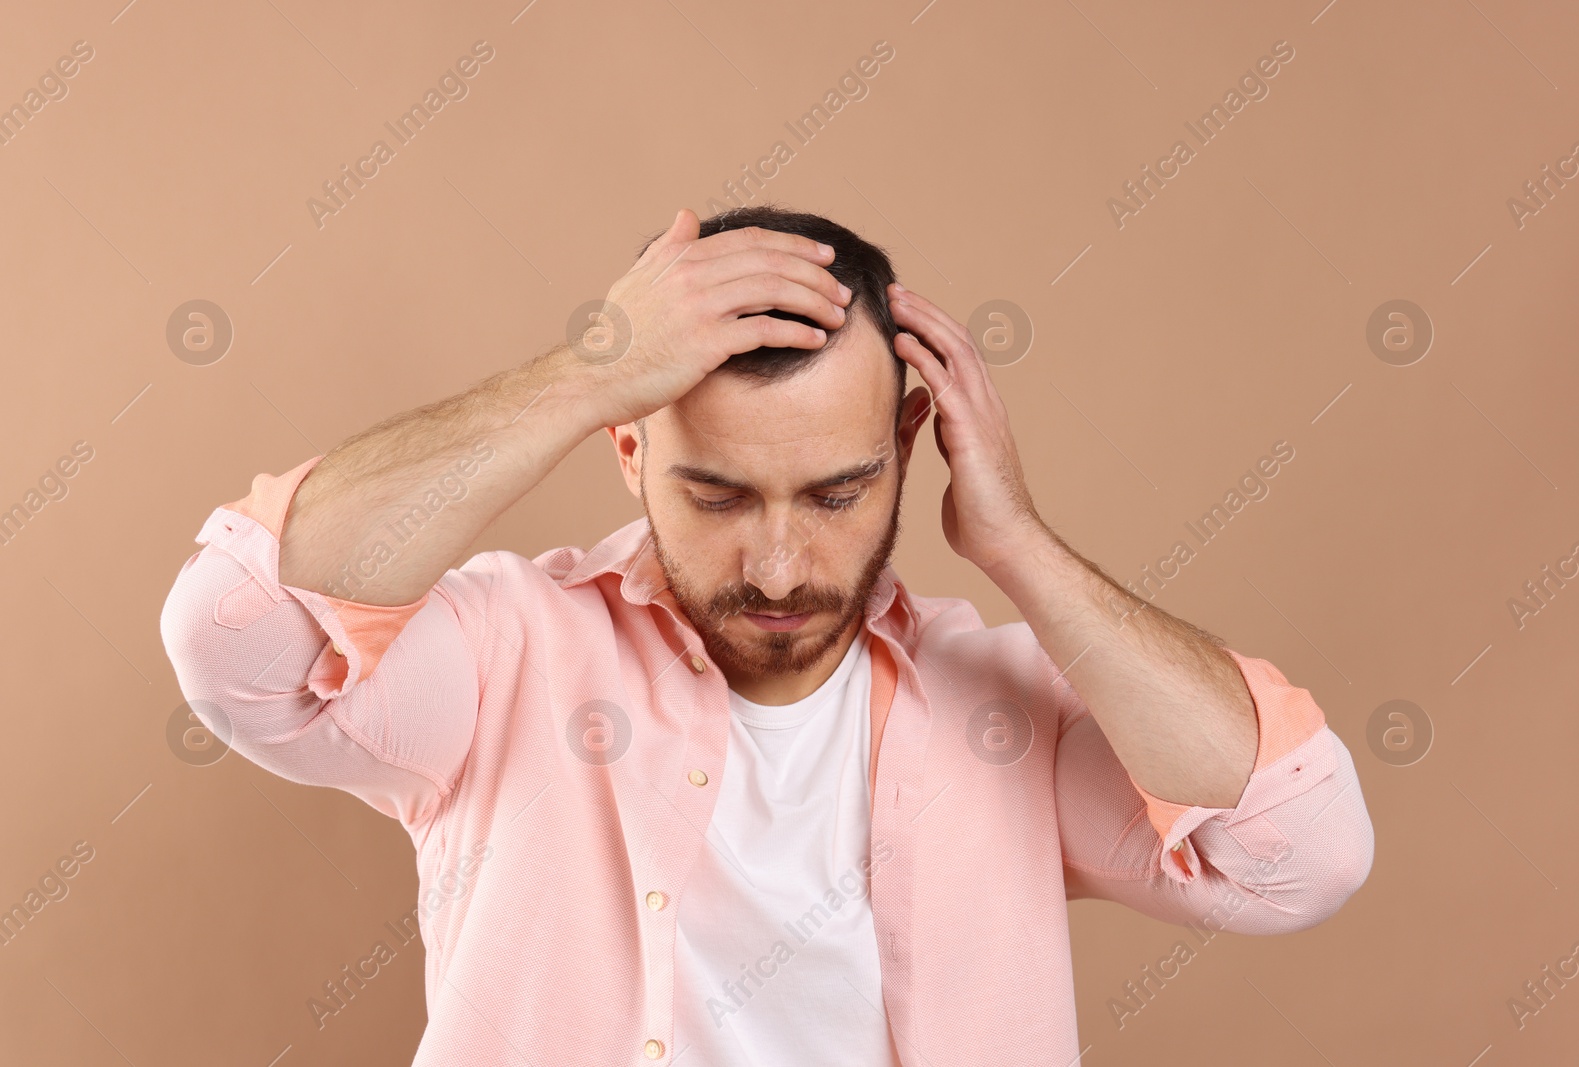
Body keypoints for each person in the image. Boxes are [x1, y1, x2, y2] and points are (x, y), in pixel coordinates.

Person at [159, 204, 1375, 1066]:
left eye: (837, 494)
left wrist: (1016, 541)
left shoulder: (1006, 710)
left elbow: (1297, 855)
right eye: (720, 496)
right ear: (631, 451)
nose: (781, 567)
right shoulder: (501, 656)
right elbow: (234, 638)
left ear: (906, 448)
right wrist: (584, 374)